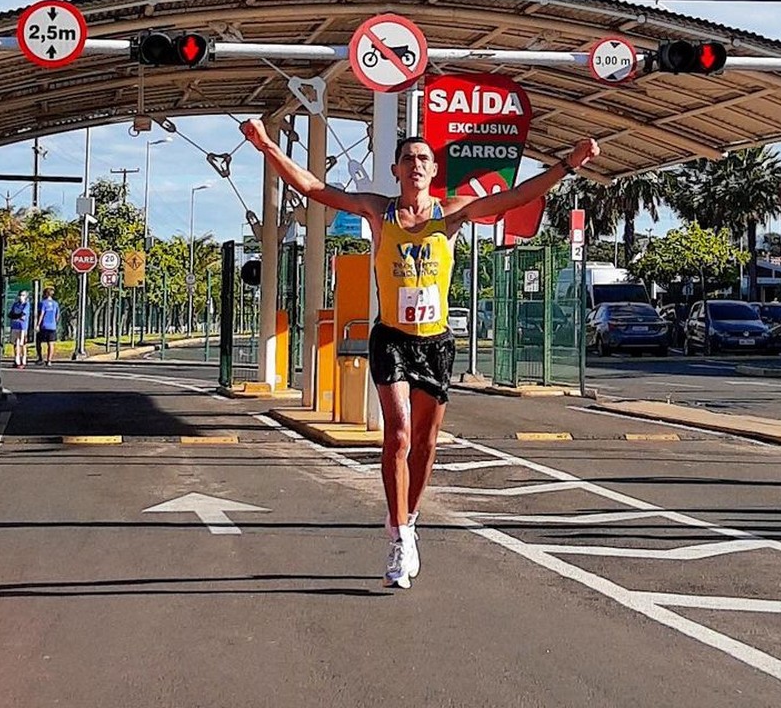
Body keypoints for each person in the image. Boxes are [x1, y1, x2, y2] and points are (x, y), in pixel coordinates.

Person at [240, 119, 600, 590]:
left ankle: (409, 520)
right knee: (399, 434)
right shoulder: (377, 211)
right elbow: (312, 185)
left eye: (424, 159)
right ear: (395, 170)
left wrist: (568, 164)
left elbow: (514, 198)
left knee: (426, 444)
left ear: (433, 171)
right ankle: (398, 535)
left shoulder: (451, 214)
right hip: (391, 337)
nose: (416, 165)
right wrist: (266, 144)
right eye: (408, 159)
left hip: (435, 343)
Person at [36, 287, 60, 365]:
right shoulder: (55, 303)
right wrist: (55, 323)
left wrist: (38, 324)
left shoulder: (43, 303)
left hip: (44, 325)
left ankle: (40, 358)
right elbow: (57, 315)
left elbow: (41, 314)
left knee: (39, 342)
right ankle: (49, 360)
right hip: (52, 326)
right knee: (51, 343)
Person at [7, 289, 30, 368]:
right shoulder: (15, 304)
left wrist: (16, 316)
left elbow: (22, 314)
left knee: (22, 344)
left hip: (22, 327)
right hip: (14, 326)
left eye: (23, 295)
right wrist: (16, 316)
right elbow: (10, 314)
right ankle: (16, 360)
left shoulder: (26, 305)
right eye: (20, 295)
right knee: (15, 344)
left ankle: (23, 360)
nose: (21, 297)